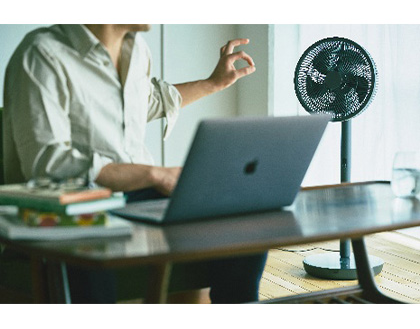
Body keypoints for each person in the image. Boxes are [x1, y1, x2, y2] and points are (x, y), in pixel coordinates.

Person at [3, 24, 267, 303]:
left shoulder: (137, 50)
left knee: (242, 218)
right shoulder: (43, 54)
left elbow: (146, 102)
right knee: (93, 245)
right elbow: (47, 163)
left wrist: (214, 83)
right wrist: (153, 174)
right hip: (73, 207)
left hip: (137, 199)